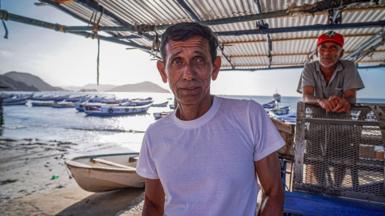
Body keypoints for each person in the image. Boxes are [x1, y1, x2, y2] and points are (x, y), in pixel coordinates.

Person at [136, 22, 285, 216]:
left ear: (214, 68)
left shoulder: (249, 116)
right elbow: (153, 204)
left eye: (198, 60)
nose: (188, 74)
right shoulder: (154, 135)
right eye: (177, 61)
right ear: (163, 71)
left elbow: (273, 193)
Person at [297, 31, 365, 188]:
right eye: (323, 48)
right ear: (317, 50)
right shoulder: (309, 68)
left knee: (341, 160)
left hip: (342, 124)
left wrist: (343, 102)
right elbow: (306, 96)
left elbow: (350, 97)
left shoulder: (348, 67)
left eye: (334, 48)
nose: (327, 52)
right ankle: (323, 186)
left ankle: (336, 187)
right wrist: (321, 101)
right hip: (315, 124)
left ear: (341, 51)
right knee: (315, 159)